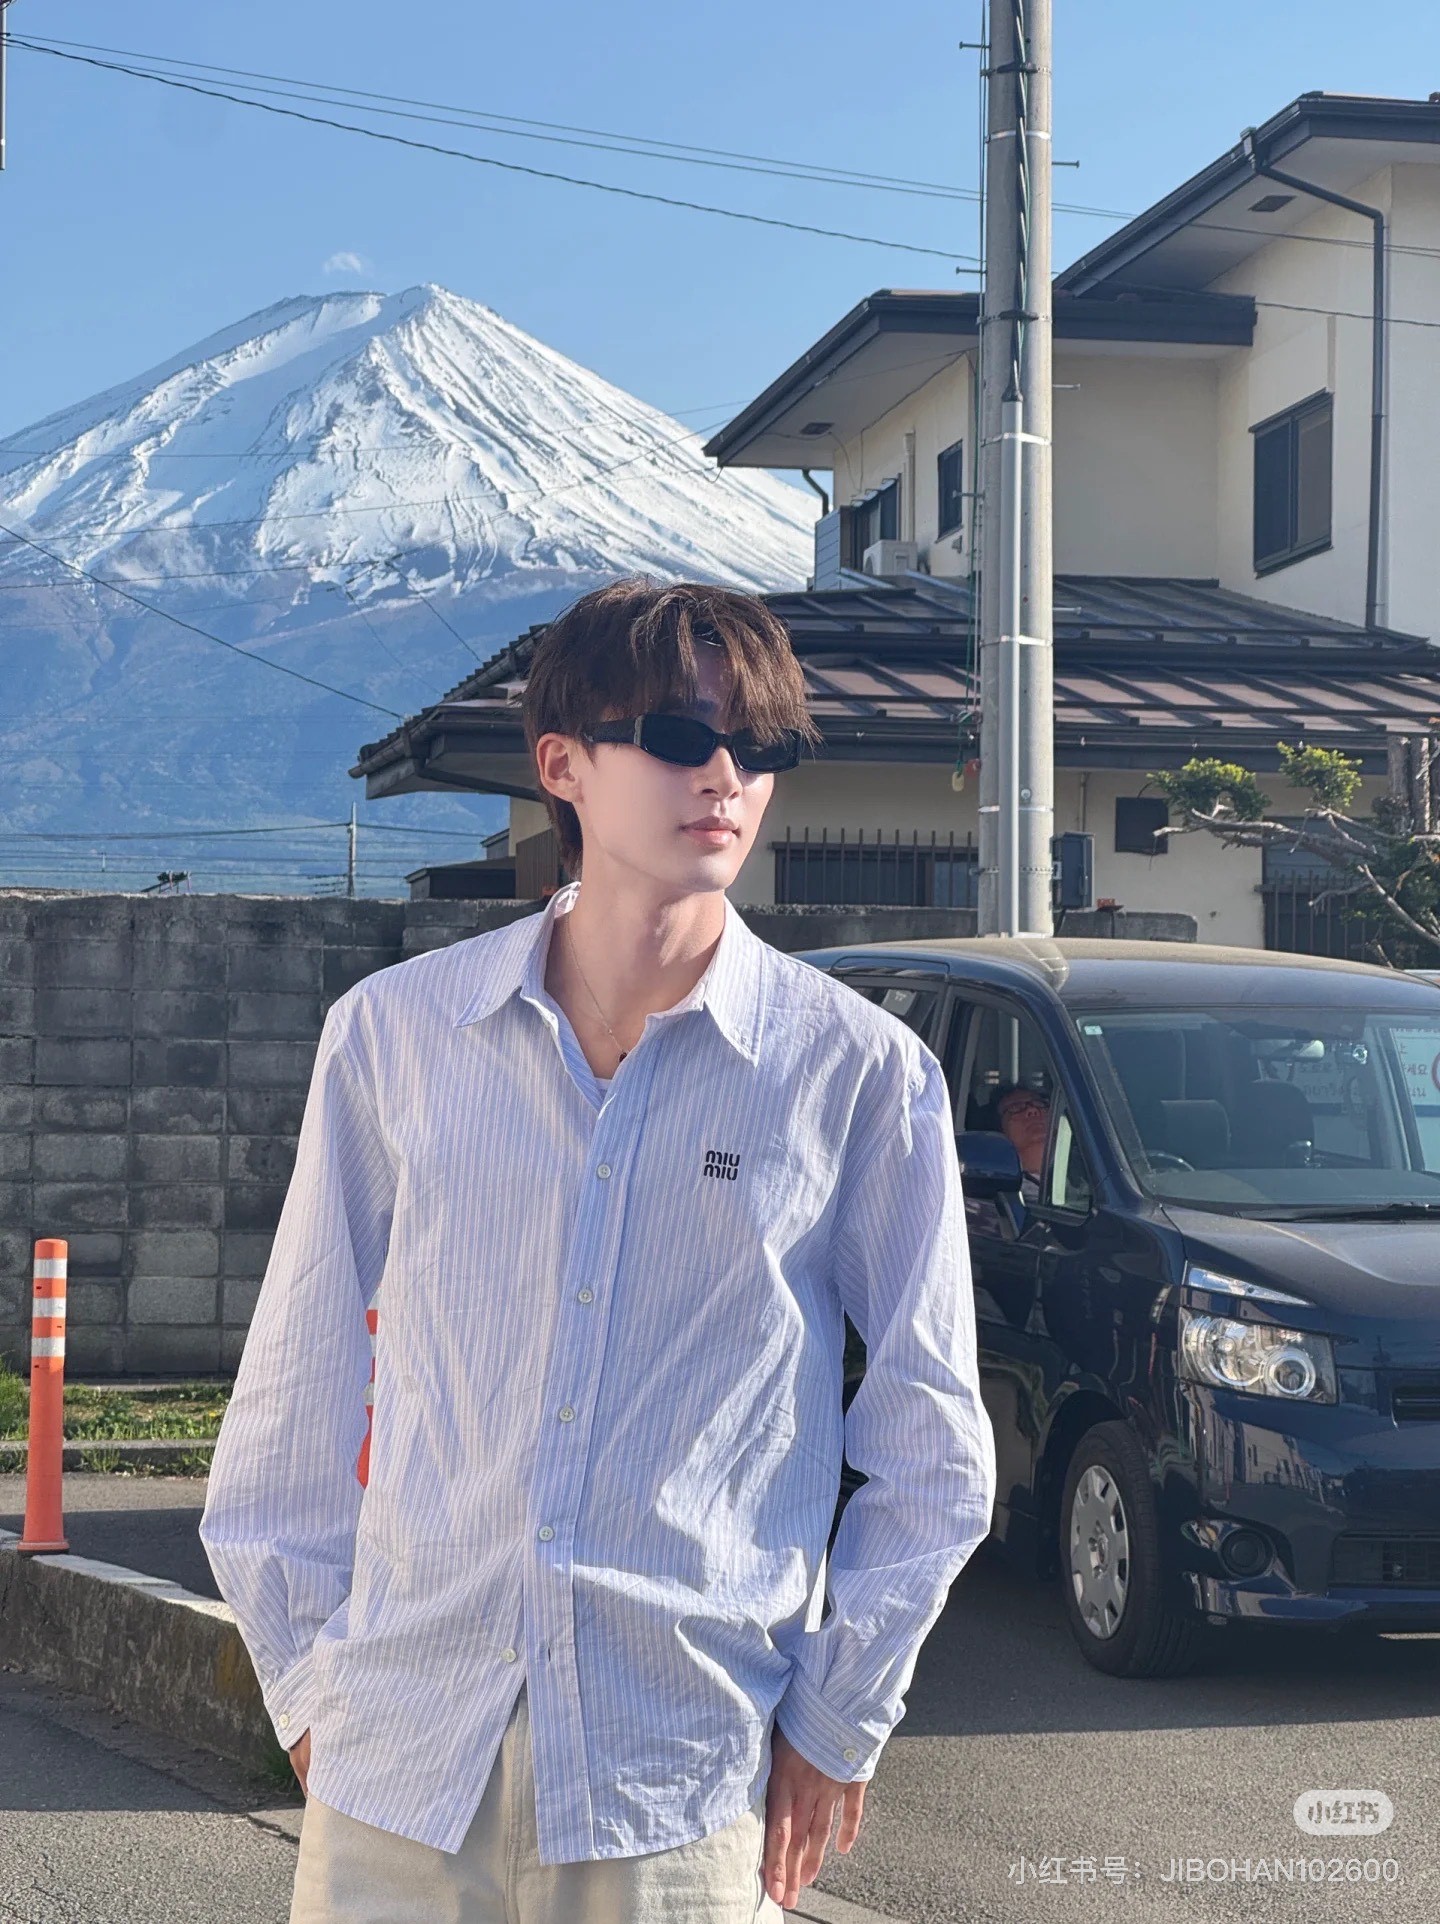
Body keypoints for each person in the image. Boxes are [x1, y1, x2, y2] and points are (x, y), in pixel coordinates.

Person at [199, 577, 996, 1924]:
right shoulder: (396, 1035)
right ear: (561, 764)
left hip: (676, 1778)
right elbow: (293, 1392)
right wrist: (310, 1688)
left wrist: (838, 1715)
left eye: (761, 746)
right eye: (682, 738)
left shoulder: (858, 1074)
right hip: (399, 1766)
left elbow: (934, 1443)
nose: (727, 777)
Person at [994, 1083, 1051, 1191]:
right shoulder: (1004, 1190)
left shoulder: (1083, 1167)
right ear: (1000, 1128)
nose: (1032, 1110)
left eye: (1039, 1103)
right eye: (1016, 1107)